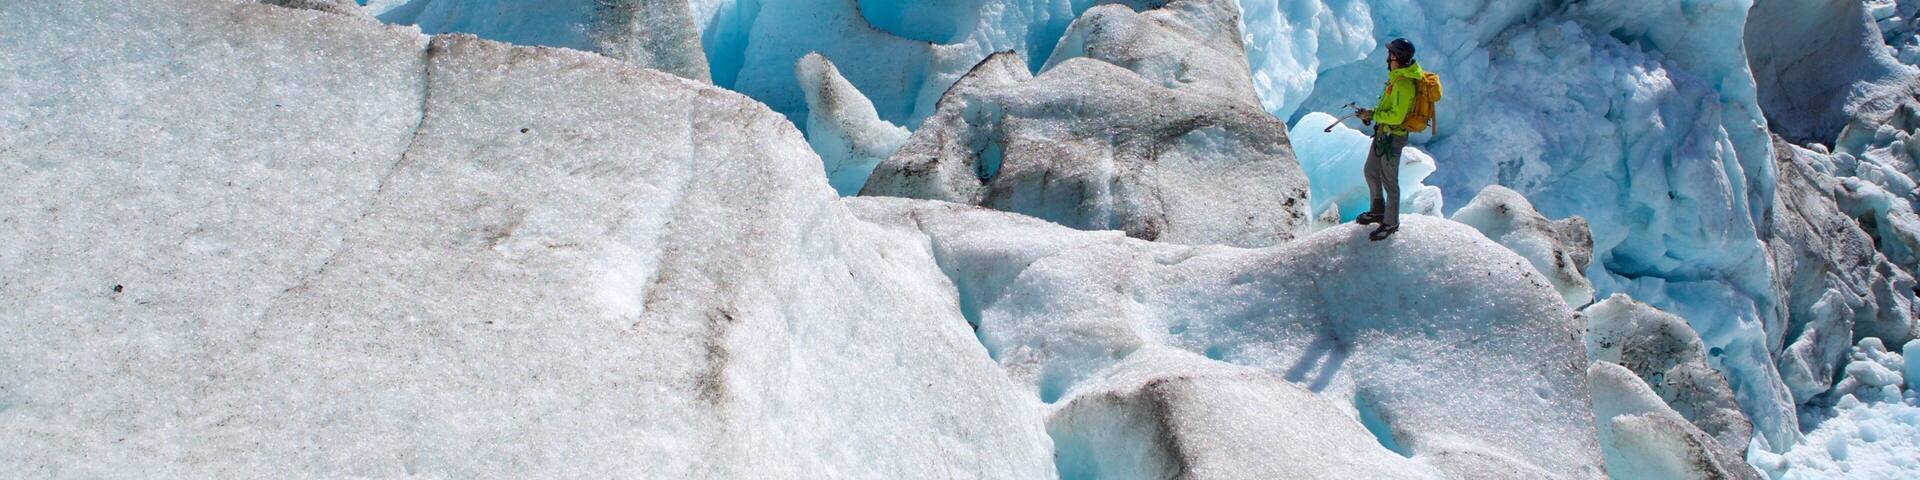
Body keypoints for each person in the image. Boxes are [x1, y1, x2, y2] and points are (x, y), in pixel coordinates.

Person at [1355, 38, 1422, 241]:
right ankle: (1377, 210)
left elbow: (1397, 117)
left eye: (1391, 53)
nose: (1388, 57)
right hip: (1384, 133)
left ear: (1398, 57)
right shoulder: (1396, 78)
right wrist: (1371, 113)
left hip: (1394, 137)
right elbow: (1388, 109)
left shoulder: (1403, 83)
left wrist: (1374, 116)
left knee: (1389, 181)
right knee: (1370, 171)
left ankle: (1391, 222)